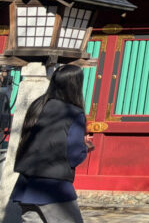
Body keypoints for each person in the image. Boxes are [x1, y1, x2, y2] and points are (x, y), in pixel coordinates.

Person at [12, 65, 92, 223]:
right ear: (76, 85)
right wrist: (85, 147)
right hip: (53, 187)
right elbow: (74, 155)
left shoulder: (37, 106)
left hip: (26, 184)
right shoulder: (73, 113)